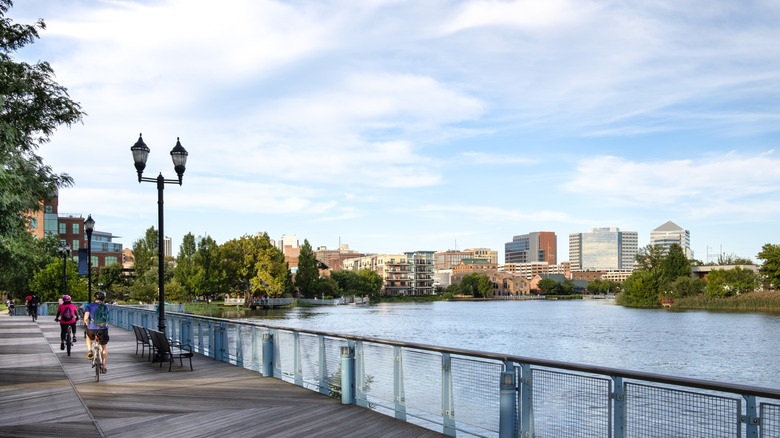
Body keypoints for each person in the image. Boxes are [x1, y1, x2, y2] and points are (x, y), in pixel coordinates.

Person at [84, 291, 110, 373]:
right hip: (103, 329)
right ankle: (104, 367)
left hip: (92, 329)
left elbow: (85, 318)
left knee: (88, 336)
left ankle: (89, 350)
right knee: (103, 347)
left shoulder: (89, 306)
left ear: (95, 298)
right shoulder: (105, 306)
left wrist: (88, 325)